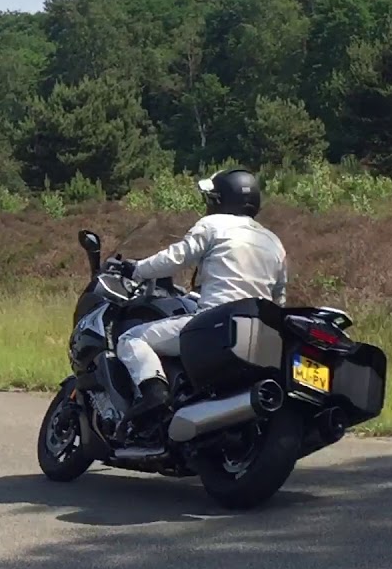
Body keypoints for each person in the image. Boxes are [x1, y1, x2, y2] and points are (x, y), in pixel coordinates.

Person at [114, 168, 288, 428]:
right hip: (259, 331)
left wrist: (137, 269)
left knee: (131, 338)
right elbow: (279, 297)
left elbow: (175, 258)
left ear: (219, 200)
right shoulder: (274, 242)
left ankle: (154, 393)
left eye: (211, 197)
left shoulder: (213, 225)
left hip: (216, 324)